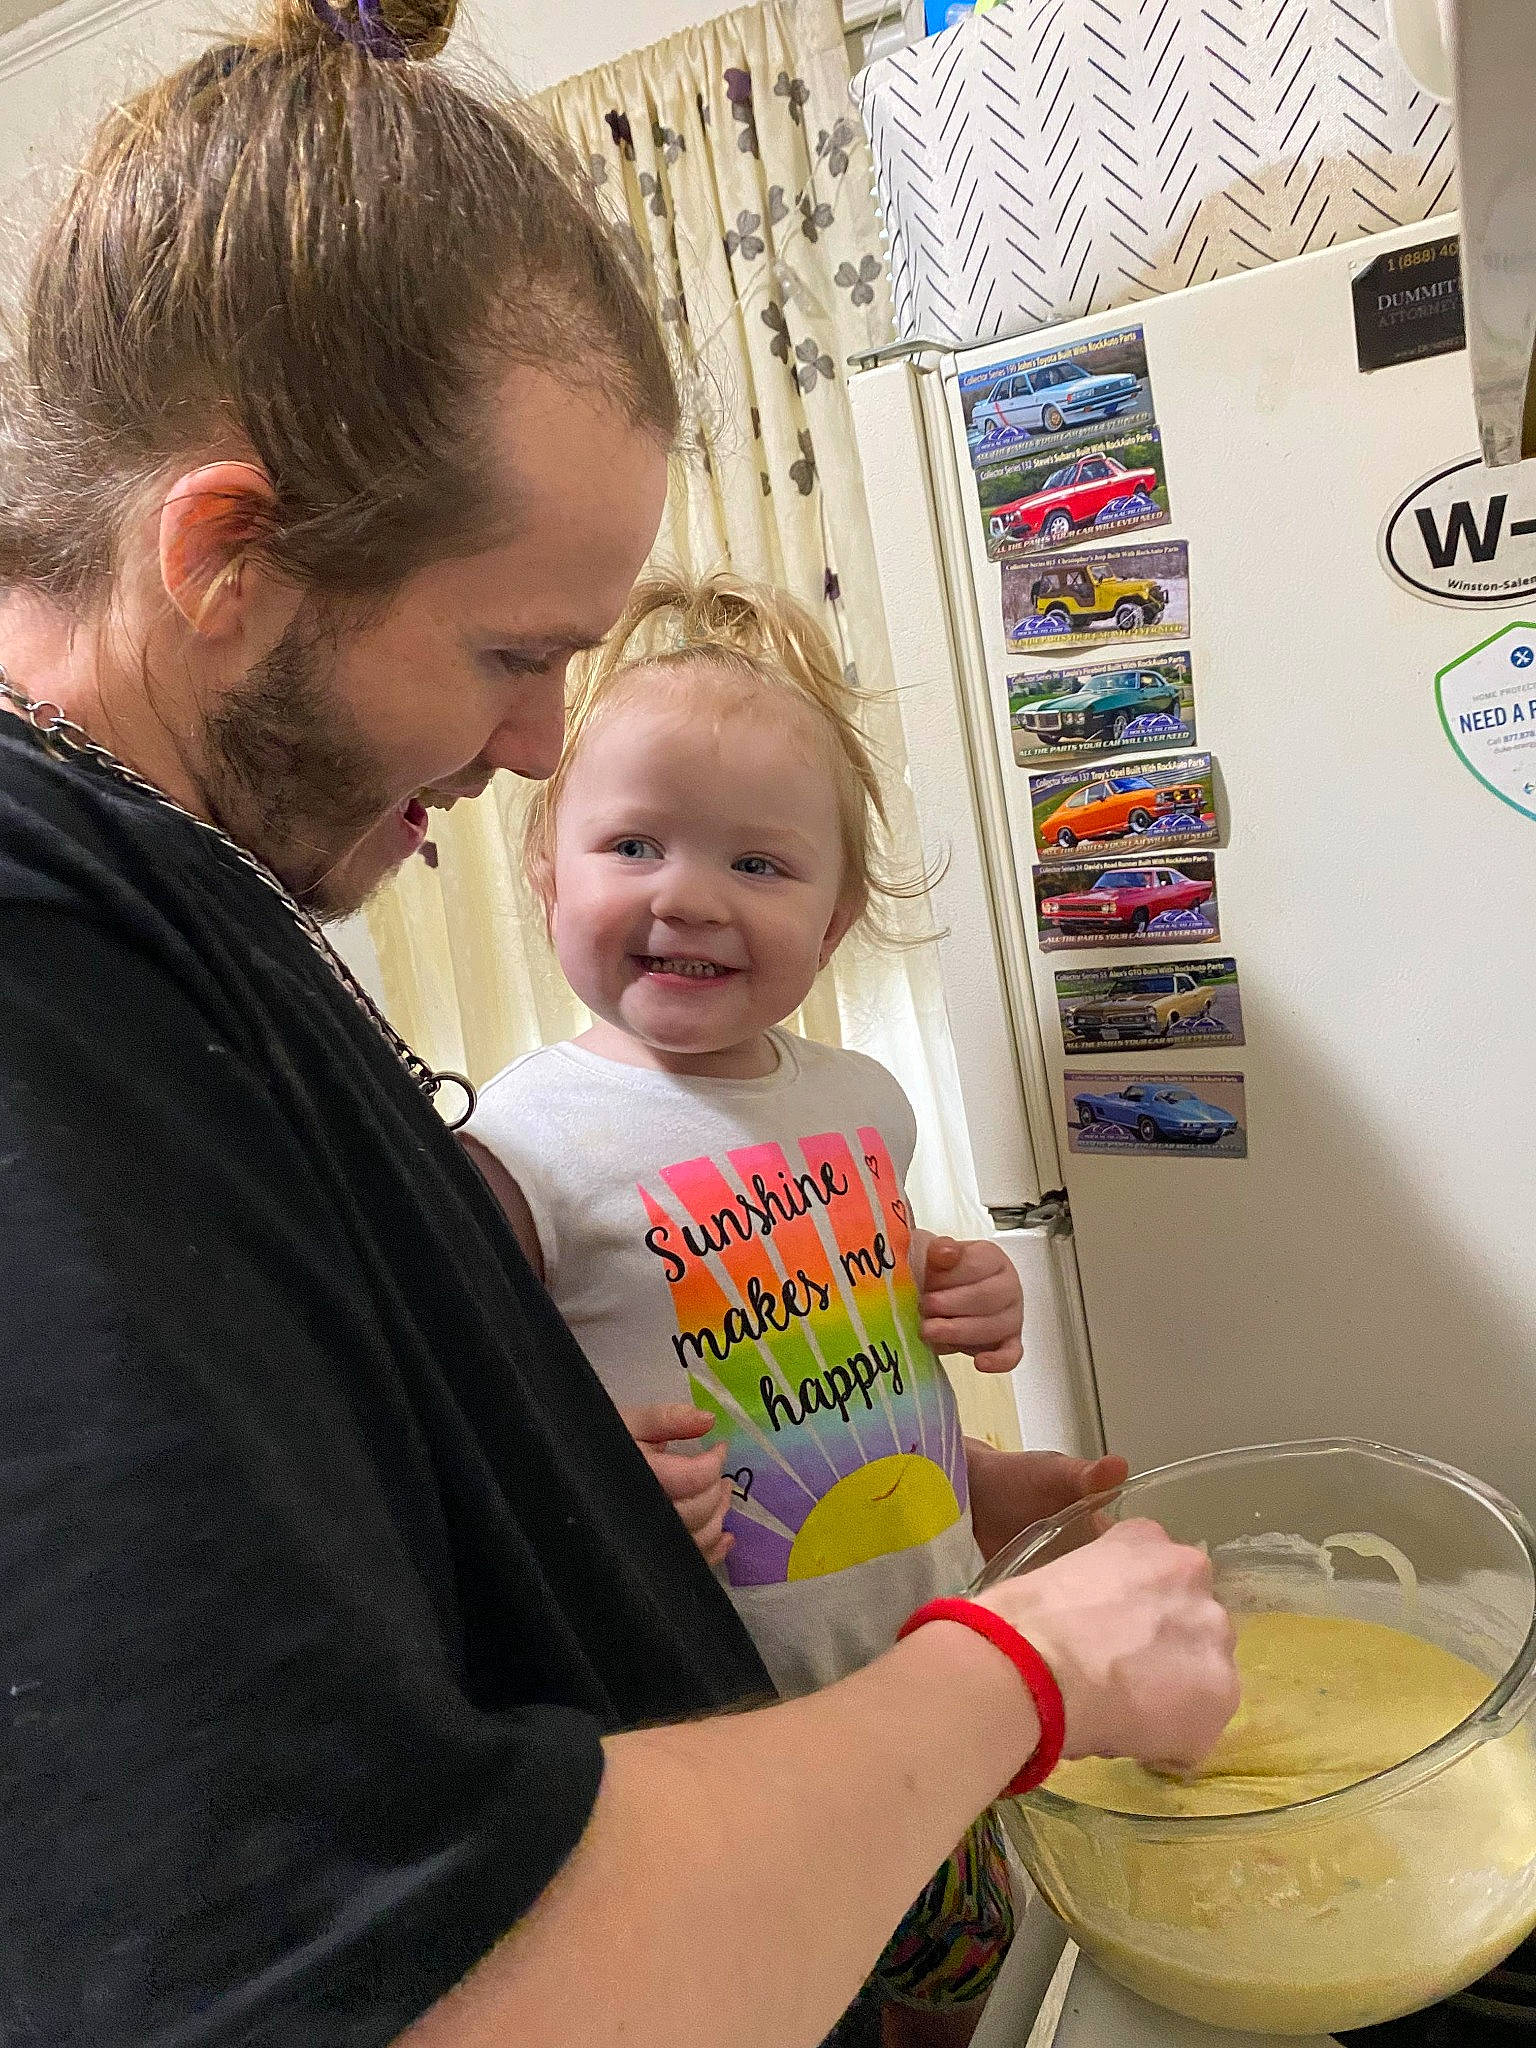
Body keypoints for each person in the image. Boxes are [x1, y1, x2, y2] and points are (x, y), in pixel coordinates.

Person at [0, 0, 1242, 2042]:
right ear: (224, 557)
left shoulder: (172, 914)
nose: (532, 746)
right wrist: (1022, 1677)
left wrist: (911, 1502)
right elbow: (381, 1988)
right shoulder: (45, 992)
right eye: (510, 652)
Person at [463, 568, 1127, 2045]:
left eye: (758, 866)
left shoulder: (861, 1104)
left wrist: (966, 1291)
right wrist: (590, 1494)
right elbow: (462, 1437)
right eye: (633, 842)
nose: (687, 893)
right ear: (547, 875)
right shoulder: (521, 1148)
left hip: (926, 1656)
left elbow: (855, 1337)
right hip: (720, 1731)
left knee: (973, 1989)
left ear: (832, 928)